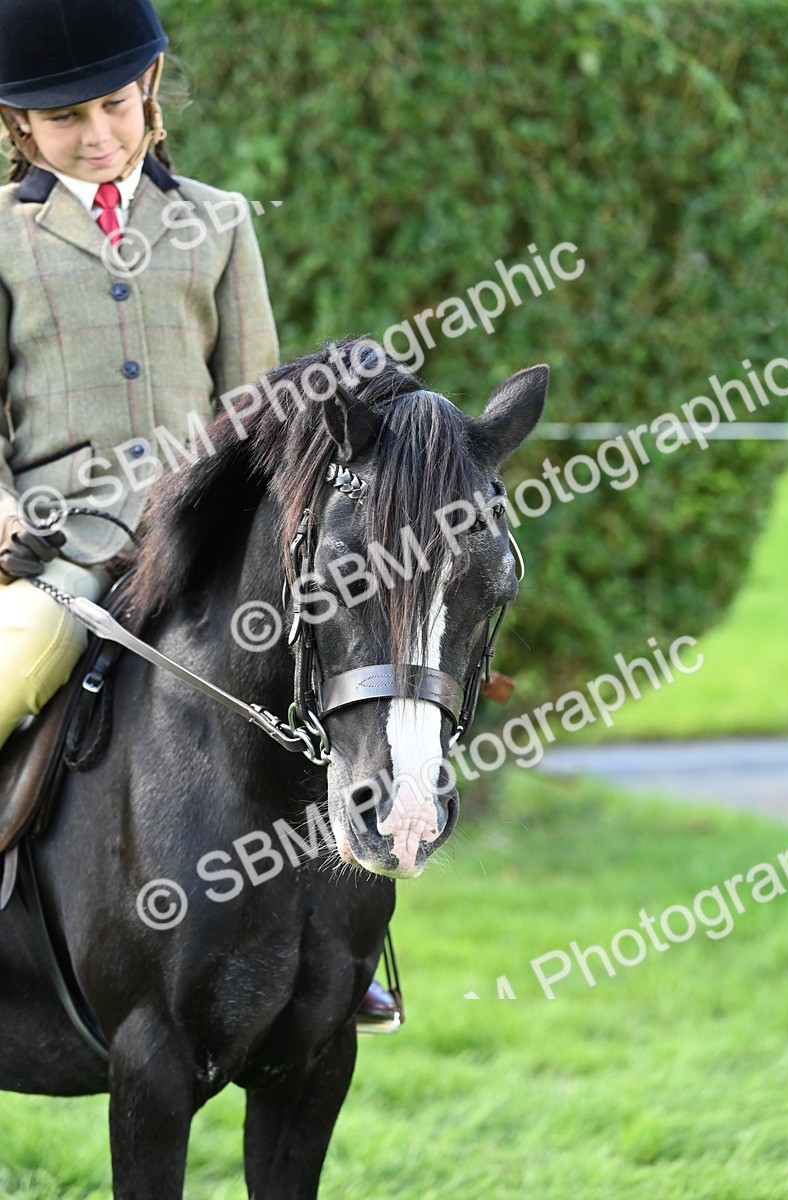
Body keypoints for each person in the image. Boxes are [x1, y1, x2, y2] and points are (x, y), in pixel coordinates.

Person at [0, 0, 399, 1031]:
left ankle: (350, 944)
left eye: (116, 106)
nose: (98, 135)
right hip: (64, 548)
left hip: (204, 543)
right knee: (21, 659)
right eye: (66, 119)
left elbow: (258, 407)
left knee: (326, 671)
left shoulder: (217, 222)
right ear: (19, 127)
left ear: (151, 96)